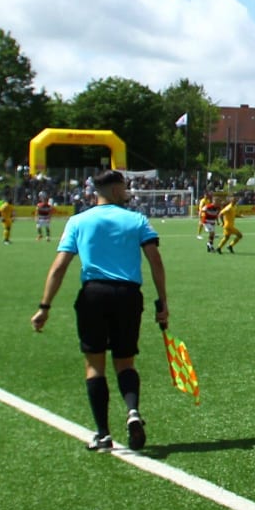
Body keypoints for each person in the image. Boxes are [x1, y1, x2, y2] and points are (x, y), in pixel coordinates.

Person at [32, 170, 169, 452]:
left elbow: (59, 267)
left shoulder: (78, 221)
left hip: (94, 294)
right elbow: (155, 261)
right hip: (128, 295)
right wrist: (162, 301)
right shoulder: (137, 220)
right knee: (125, 362)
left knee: (95, 365)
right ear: (116, 189)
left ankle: (103, 434)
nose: (128, 192)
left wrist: (44, 307)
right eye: (125, 187)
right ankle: (132, 412)